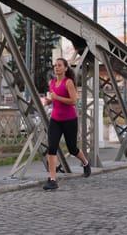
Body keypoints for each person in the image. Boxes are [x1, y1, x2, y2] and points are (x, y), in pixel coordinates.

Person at [42, 57, 91, 190]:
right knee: (52, 148)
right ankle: (52, 179)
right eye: (55, 65)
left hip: (69, 120)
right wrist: (49, 101)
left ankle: (86, 163)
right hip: (55, 120)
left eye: (59, 65)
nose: (56, 67)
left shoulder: (68, 82)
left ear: (65, 68)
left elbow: (74, 101)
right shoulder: (51, 83)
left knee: (72, 149)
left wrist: (56, 98)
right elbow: (55, 98)